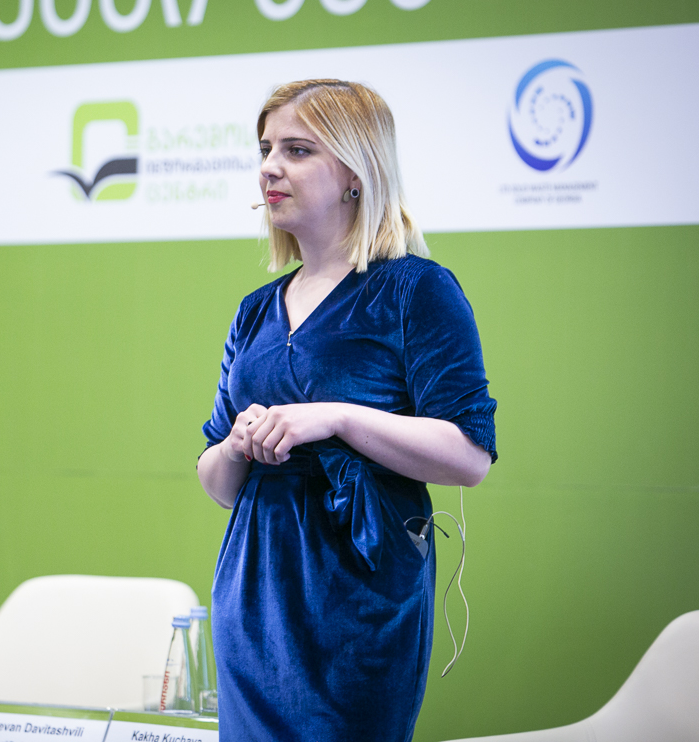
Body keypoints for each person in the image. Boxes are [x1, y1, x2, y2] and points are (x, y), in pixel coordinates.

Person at [197, 79, 497, 741]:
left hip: (361, 601)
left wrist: (338, 418)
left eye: (298, 150)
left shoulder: (416, 290)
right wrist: (238, 444)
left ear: (357, 173)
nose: (270, 167)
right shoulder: (254, 311)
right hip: (252, 597)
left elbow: (470, 457)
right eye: (266, 149)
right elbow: (217, 484)